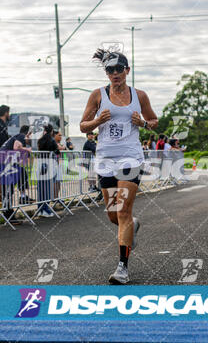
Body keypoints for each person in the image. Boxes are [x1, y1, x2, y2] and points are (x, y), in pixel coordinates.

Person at [80, 48, 158, 284]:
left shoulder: (139, 96)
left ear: (127, 70)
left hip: (130, 158)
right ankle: (131, 226)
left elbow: (154, 122)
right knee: (114, 216)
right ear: (106, 73)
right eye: (110, 70)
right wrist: (97, 121)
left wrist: (142, 123)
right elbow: (83, 126)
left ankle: (122, 268)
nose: (115, 73)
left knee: (123, 211)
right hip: (105, 159)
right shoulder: (97, 95)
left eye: (118, 69)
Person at [0, 125, 33, 218]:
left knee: (22, 172)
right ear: (28, 133)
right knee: (8, 188)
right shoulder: (21, 136)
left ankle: (23, 197)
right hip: (4, 162)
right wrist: (27, 149)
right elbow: (16, 147)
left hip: (4, 161)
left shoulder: (17, 136)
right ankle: (8, 212)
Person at [36, 124, 60, 217]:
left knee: (41, 188)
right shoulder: (51, 140)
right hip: (48, 165)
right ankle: (45, 209)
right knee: (47, 188)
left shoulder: (40, 140)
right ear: (52, 131)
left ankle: (40, 209)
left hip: (40, 165)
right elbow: (57, 151)